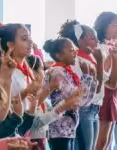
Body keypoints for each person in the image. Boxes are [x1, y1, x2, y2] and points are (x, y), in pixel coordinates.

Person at [43, 37, 96, 150]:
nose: (75, 52)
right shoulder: (58, 72)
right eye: (71, 50)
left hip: (67, 130)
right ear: (59, 55)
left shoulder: (66, 72)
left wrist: (89, 78)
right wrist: (87, 77)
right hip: (58, 130)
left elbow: (84, 102)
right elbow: (76, 101)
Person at [58, 20, 103, 150]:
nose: (97, 42)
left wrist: (99, 62)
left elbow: (98, 89)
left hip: (93, 108)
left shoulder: (91, 59)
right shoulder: (76, 61)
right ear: (80, 40)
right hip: (83, 109)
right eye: (92, 38)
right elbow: (81, 93)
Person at [94, 12, 117, 150]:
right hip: (103, 95)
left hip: (113, 95)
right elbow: (106, 80)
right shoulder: (100, 49)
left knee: (107, 141)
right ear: (103, 28)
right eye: (114, 25)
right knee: (101, 142)